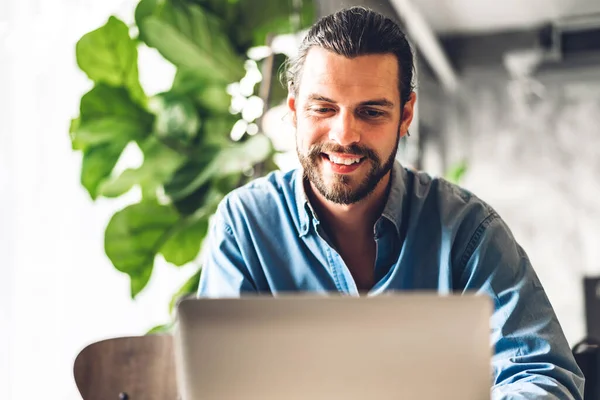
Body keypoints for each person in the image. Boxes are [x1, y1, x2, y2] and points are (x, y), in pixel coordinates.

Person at [197, 6, 584, 399]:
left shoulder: (469, 230)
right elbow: (220, 388)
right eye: (323, 108)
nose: (344, 135)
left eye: (371, 112)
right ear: (295, 111)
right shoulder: (245, 225)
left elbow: (540, 373)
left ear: (405, 115)